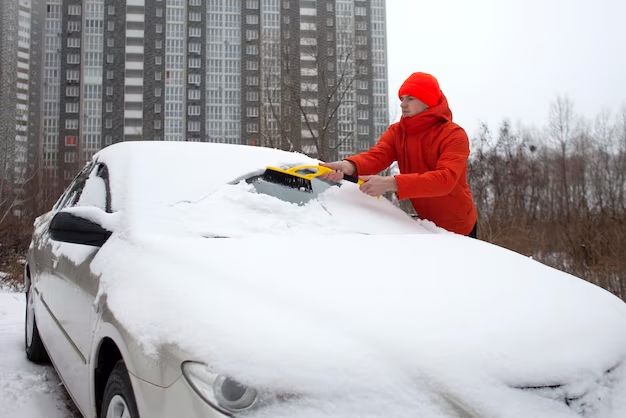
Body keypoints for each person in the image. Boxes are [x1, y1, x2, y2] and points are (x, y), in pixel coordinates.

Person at [321, 72, 478, 237]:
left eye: (410, 98)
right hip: (425, 226)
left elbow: (445, 180)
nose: (403, 104)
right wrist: (350, 165)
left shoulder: (454, 135)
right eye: (402, 98)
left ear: (428, 101)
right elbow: (378, 156)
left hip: (460, 228)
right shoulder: (397, 132)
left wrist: (391, 183)